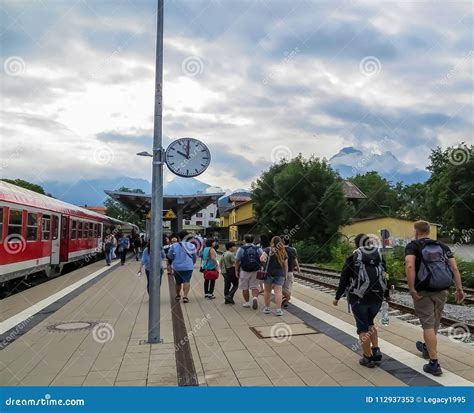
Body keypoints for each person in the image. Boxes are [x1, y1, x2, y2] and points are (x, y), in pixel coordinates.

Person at [405, 221, 465, 376]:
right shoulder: (442, 246)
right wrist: (459, 289)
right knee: (435, 322)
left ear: (416, 231)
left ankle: (434, 363)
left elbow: (410, 266)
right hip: (442, 289)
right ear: (429, 230)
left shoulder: (413, 246)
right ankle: (427, 347)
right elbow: (454, 268)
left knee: (427, 325)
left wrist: (412, 288)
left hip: (423, 291)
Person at [333, 233, 389, 368]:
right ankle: (376, 350)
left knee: (362, 327)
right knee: (371, 322)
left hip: (359, 298)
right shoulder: (379, 257)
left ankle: (367, 357)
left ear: (356, 244)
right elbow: (386, 275)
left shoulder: (353, 258)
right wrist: (386, 294)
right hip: (377, 297)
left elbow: (344, 279)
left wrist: (337, 297)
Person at [167, 230, 197, 303]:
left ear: (179, 238)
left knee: (178, 282)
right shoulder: (191, 245)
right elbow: (194, 256)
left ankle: (177, 295)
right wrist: (193, 263)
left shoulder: (174, 245)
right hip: (188, 266)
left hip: (177, 267)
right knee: (186, 281)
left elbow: (169, 256)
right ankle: (185, 296)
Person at [261, 236, 288, 316]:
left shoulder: (267, 250)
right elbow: (285, 266)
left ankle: (267, 308)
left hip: (268, 274)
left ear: (272, 242)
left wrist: (264, 260)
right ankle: (278, 310)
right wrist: (285, 275)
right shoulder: (283, 251)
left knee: (267, 291)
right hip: (280, 274)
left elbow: (261, 259)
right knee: (278, 292)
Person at [235, 234, 263, 310]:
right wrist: (262, 268)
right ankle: (255, 298)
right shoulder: (258, 248)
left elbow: (237, 260)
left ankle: (247, 302)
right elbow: (263, 259)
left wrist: (236, 271)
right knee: (255, 286)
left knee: (245, 288)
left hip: (244, 271)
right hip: (256, 270)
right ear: (253, 240)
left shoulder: (241, 249)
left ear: (245, 240)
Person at [282, 238, 300, 308]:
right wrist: (298, 268)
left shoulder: (280, 250)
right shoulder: (293, 250)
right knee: (288, 287)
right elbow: (295, 259)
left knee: (280, 287)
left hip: (281, 272)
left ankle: (285, 298)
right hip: (290, 271)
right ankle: (286, 300)